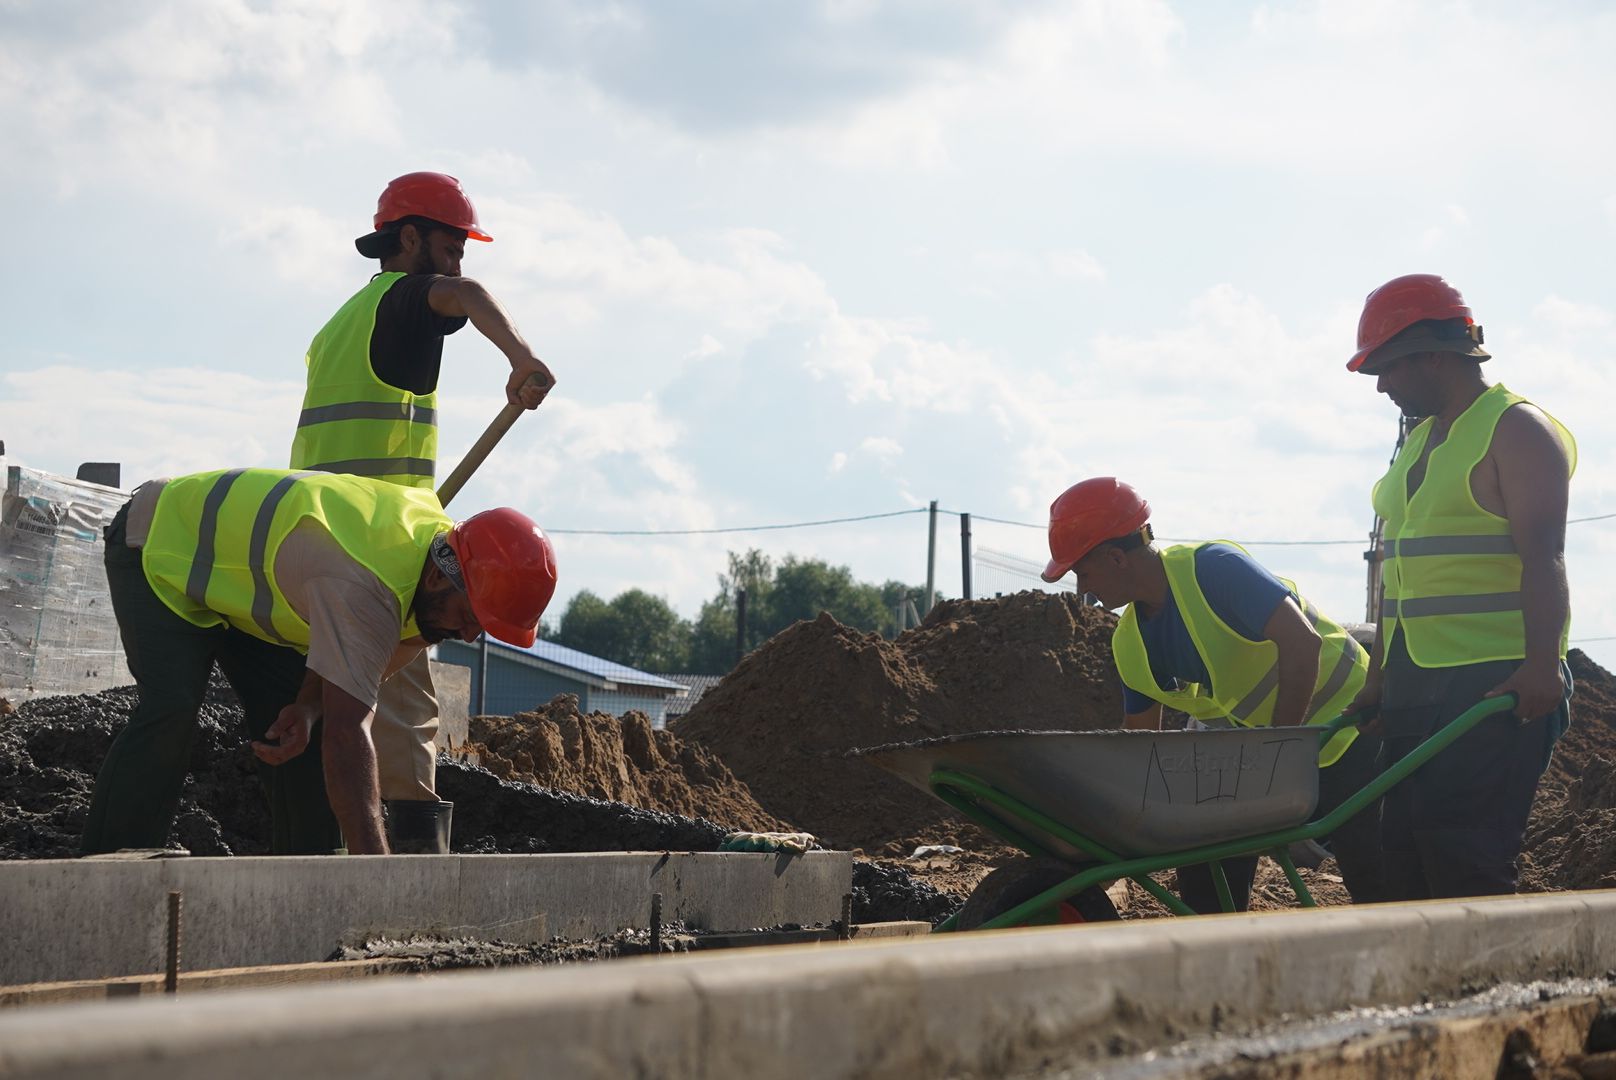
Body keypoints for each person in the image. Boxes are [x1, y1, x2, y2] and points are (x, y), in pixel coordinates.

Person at [81, 468, 557, 856]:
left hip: (244, 589)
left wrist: (308, 706)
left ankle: (308, 879)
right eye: (471, 617)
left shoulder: (432, 568)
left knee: (296, 731)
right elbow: (348, 735)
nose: (470, 634)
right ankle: (106, 870)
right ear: (437, 577)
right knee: (172, 712)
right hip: (161, 545)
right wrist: (379, 877)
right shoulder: (368, 583)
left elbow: (340, 675)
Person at [289, 172, 556, 847]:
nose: (459, 265)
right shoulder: (409, 298)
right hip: (380, 551)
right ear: (410, 240)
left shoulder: (338, 326)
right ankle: (407, 888)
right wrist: (521, 356)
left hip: (310, 541)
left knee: (320, 705)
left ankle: (312, 855)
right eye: (452, 247)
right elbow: (462, 295)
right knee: (403, 717)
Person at [1041, 477, 1384, 912]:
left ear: (1115, 557)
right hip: (1271, 759)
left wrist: (1279, 752)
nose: (1083, 588)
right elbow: (1139, 741)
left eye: (1082, 572)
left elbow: (1303, 642)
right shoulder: (1130, 645)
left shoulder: (1214, 569)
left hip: (1357, 727)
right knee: (1207, 861)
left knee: (1377, 879)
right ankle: (1218, 952)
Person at [1342, 273, 1575, 901]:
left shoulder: (1517, 430)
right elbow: (1402, 570)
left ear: (1431, 355)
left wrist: (1541, 665)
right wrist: (1381, 674)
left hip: (1492, 678)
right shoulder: (1421, 441)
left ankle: (1501, 995)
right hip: (1418, 675)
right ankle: (1431, 996)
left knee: (1465, 855)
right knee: (1405, 857)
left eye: (1387, 369)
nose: (1383, 385)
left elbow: (1543, 558)